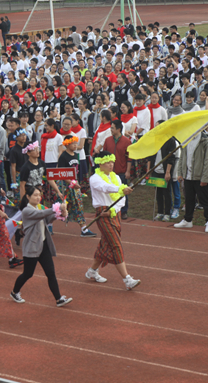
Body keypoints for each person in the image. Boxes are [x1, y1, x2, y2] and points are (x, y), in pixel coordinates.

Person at [85, 151, 140, 290]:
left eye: (112, 162)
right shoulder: (95, 178)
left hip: (114, 213)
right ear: (100, 163)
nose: (111, 165)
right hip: (102, 213)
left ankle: (92, 271)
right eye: (108, 162)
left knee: (106, 243)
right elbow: (105, 188)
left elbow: (121, 200)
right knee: (115, 244)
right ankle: (127, 279)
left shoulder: (116, 177)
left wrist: (114, 209)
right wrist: (121, 189)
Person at [10, 185, 73, 306]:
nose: (38, 197)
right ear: (28, 197)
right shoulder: (27, 211)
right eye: (35, 195)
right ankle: (14, 292)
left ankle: (59, 299)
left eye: (39, 195)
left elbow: (48, 218)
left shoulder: (38, 208)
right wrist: (57, 207)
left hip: (43, 245)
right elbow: (42, 214)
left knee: (51, 273)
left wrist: (60, 214)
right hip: (32, 247)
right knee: (28, 274)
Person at [174, 125, 208, 233]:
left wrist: (205, 177)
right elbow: (182, 156)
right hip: (187, 175)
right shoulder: (186, 139)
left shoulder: (205, 140)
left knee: (204, 200)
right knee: (189, 199)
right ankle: (188, 220)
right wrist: (180, 172)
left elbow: (207, 160)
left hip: (199, 176)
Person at [57, 135, 97, 237]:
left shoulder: (75, 155)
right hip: (67, 187)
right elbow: (61, 173)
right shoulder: (63, 157)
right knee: (63, 207)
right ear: (67, 144)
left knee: (73, 207)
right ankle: (48, 224)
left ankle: (83, 229)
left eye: (76, 143)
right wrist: (71, 183)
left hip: (74, 185)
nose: (75, 145)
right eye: (73, 144)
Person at [102, 120, 132, 220]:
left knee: (123, 192)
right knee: (109, 191)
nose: (111, 129)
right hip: (108, 173)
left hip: (121, 171)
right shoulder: (107, 140)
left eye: (112, 128)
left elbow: (129, 158)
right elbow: (103, 156)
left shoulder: (126, 141)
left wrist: (128, 171)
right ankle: (110, 209)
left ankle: (123, 211)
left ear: (118, 129)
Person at [148, 123, 176, 222]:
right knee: (158, 192)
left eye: (158, 126)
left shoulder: (170, 140)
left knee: (166, 192)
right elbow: (150, 156)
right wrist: (148, 170)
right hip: (156, 170)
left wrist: (168, 172)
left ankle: (167, 213)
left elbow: (171, 158)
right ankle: (160, 212)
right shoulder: (155, 139)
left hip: (165, 171)